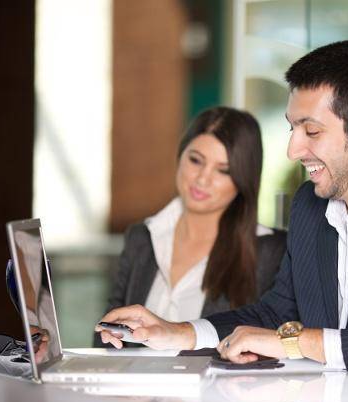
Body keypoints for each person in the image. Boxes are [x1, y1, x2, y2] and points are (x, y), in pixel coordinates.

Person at [96, 40, 348, 372]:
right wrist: (178, 332)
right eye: (292, 128)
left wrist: (295, 342)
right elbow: (279, 311)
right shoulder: (310, 204)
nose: (293, 149)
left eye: (311, 131)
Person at [93, 107, 286, 347]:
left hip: (217, 384)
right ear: (180, 156)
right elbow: (104, 332)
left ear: (243, 179)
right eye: (196, 160)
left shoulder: (272, 251)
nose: (203, 179)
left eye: (223, 170)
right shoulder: (142, 237)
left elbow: (275, 340)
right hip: (135, 383)